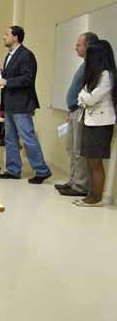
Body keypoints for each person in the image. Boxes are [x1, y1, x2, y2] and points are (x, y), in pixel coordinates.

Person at [0, 25, 52, 183]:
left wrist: (7, 80)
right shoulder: (9, 56)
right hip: (9, 103)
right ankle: (13, 170)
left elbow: (28, 78)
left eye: (6, 34)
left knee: (28, 138)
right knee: (10, 138)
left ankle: (42, 171)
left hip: (21, 104)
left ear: (16, 37)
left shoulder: (26, 55)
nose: (3, 37)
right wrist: (3, 74)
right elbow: (12, 78)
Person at [55, 32, 100, 196]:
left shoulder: (93, 66)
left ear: (88, 47)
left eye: (79, 45)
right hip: (74, 110)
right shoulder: (84, 64)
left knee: (79, 151)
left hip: (82, 112)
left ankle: (80, 186)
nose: (75, 48)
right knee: (72, 150)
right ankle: (73, 181)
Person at [75, 40, 117, 207]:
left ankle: (96, 198)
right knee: (90, 161)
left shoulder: (107, 75)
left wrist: (85, 97)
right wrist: (85, 96)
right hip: (90, 121)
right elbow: (83, 96)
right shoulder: (95, 75)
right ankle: (91, 194)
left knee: (96, 162)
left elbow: (90, 98)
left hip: (101, 124)